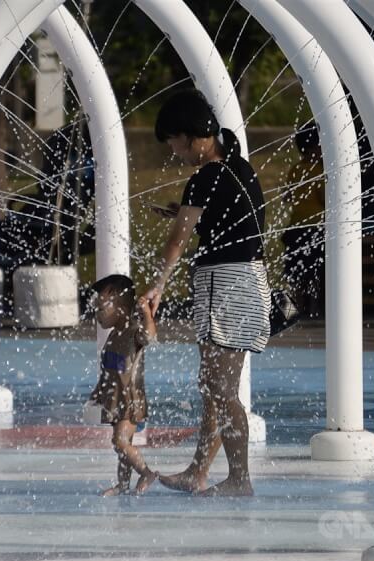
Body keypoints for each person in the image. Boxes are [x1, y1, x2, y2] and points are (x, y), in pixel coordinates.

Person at [145, 89, 270, 497]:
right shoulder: (239, 168)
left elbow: (176, 243)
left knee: (220, 388)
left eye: (174, 143)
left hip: (227, 286)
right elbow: (229, 226)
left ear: (193, 135)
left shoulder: (205, 176)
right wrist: (184, 214)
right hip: (247, 281)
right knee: (213, 383)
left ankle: (239, 479)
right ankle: (199, 471)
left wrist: (158, 284)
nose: (175, 152)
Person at [89, 274, 159, 496]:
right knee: (122, 447)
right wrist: (99, 390)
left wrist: (147, 313)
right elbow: (110, 369)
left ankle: (147, 472)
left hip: (130, 400)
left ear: (120, 308)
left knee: (119, 441)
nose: (97, 314)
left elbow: (149, 336)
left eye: (101, 309)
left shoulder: (132, 331)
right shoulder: (113, 336)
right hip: (114, 399)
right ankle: (122, 484)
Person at [281, 122, 325, 319]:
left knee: (297, 275)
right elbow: (324, 198)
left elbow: (289, 196)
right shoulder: (319, 171)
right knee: (314, 273)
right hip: (315, 229)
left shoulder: (296, 169)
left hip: (295, 228)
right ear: (314, 147)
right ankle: (315, 310)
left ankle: (296, 312)